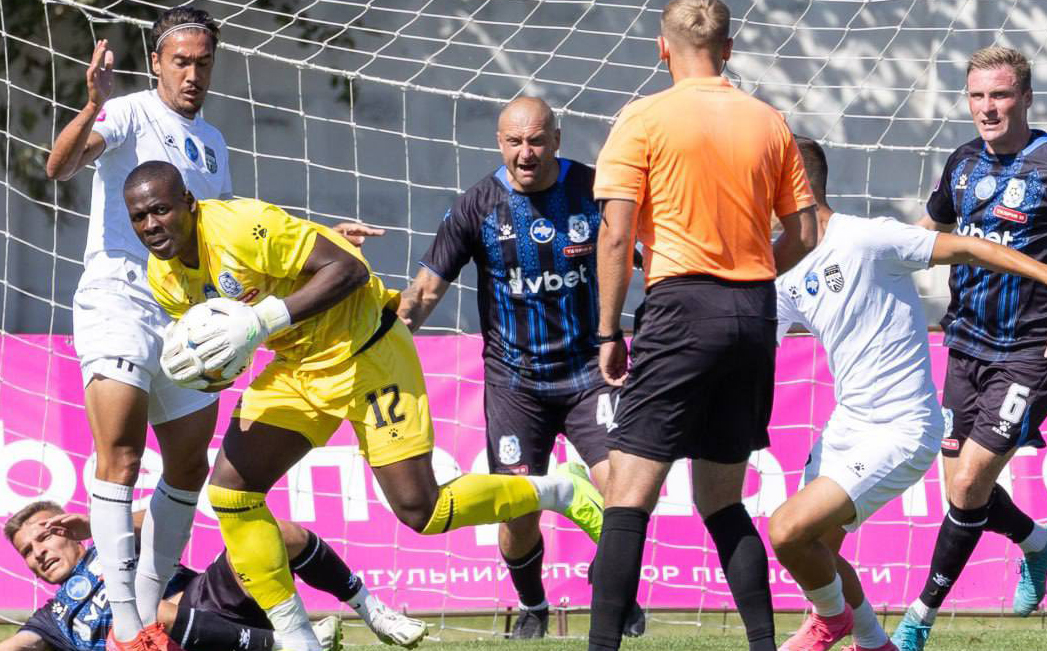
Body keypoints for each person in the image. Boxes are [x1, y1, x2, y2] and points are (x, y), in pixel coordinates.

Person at [123, 161, 605, 651]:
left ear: (189, 202)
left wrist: (261, 321)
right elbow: (225, 342)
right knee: (231, 493)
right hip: (299, 366)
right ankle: (297, 639)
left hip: (368, 350)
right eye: (139, 217)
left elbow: (349, 270)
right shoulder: (164, 279)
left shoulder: (239, 227)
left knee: (423, 511)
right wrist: (211, 369)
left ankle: (560, 490)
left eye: (160, 210)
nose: (151, 225)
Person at [768, 137, 1047, 651]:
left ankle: (855, 620)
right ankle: (874, 640)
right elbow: (753, 342)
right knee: (815, 548)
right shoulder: (778, 266)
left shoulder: (868, 238)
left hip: (904, 428)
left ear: (791, 185)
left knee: (788, 529)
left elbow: (971, 246)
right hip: (846, 424)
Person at [587, 0, 819, 649]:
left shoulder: (642, 119)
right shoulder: (768, 120)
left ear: (662, 48)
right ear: (729, 47)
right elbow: (804, 233)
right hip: (754, 314)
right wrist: (750, 278)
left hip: (680, 309)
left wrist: (608, 332)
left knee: (627, 497)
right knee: (721, 500)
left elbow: (616, 237)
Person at [890, 46, 1047, 651]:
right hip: (964, 344)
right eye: (977, 96)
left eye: (999, 95)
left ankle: (918, 619)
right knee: (961, 491)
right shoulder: (963, 162)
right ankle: (1039, 543)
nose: (987, 108)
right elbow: (929, 232)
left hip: (1031, 351)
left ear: (1025, 98)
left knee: (969, 486)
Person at [397, 96, 643, 639]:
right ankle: (533, 605)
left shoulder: (594, 190)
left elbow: (647, 251)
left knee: (625, 494)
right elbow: (426, 291)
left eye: (536, 141)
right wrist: (385, 333)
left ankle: (613, 584)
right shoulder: (477, 206)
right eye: (514, 142)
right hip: (516, 384)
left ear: (556, 140)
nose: (525, 153)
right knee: (517, 513)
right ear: (499, 143)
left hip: (590, 372)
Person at [43, 10, 232, 651]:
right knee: (121, 457)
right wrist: (91, 104)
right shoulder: (125, 112)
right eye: (181, 61)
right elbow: (59, 166)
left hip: (184, 314)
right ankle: (126, 625)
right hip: (118, 298)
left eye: (203, 62)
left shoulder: (215, 142)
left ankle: (144, 619)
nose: (193, 74)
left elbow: (221, 234)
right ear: (156, 63)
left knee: (189, 464)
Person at [2, 500, 428, 651]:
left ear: (68, 531)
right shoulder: (53, 617)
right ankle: (288, 643)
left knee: (275, 534)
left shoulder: (114, 544)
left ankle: (370, 609)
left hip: (207, 603)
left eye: (45, 536)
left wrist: (102, 525)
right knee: (142, 618)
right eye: (27, 551)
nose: (38, 553)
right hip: (162, 642)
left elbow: (168, 519)